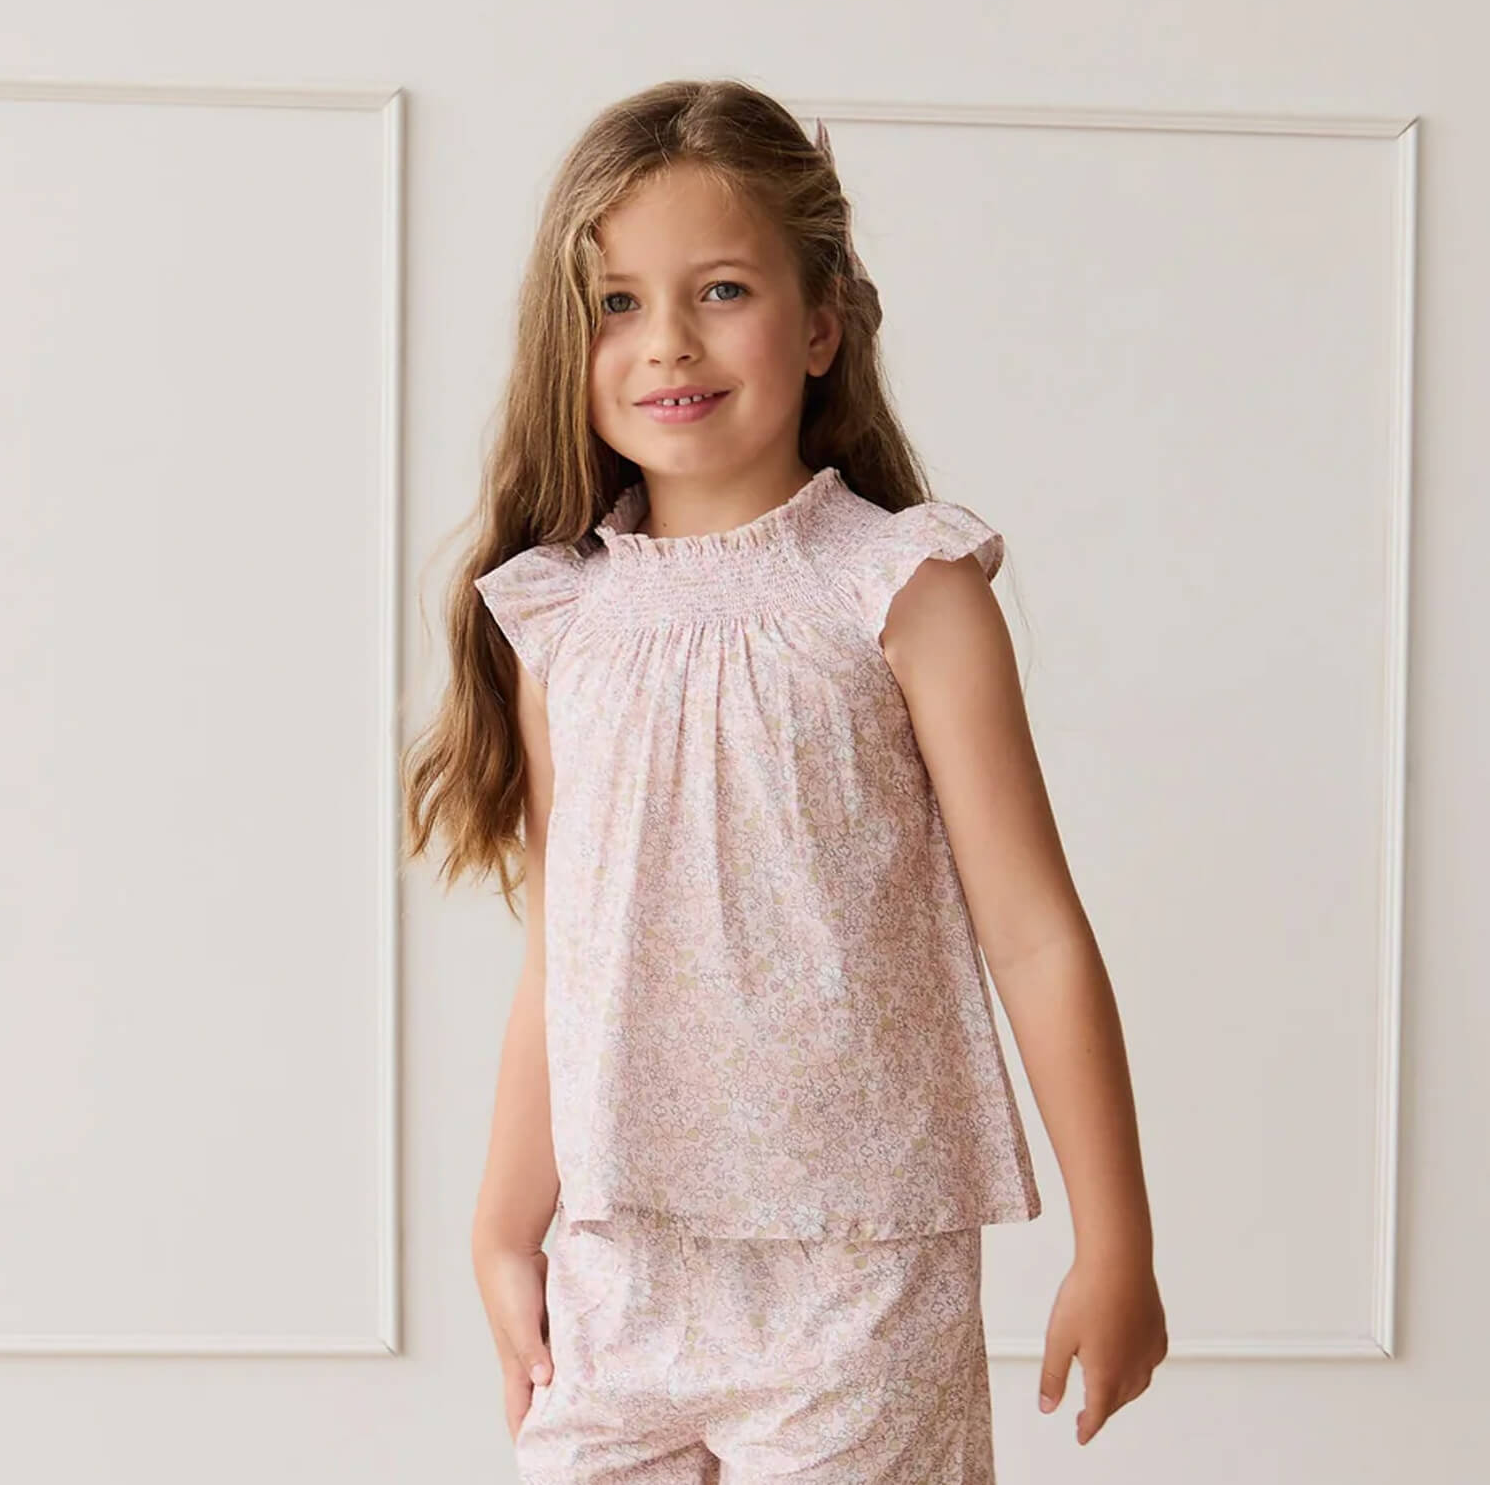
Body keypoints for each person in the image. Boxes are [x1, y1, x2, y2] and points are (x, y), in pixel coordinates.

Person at [403, 76, 1167, 1483]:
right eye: (618, 303)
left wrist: (1115, 1240)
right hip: (620, 1275)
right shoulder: (559, 618)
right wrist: (502, 1228)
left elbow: (1035, 933)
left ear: (821, 324)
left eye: (722, 290)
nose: (668, 340)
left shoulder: (906, 589)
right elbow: (562, 959)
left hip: (858, 1282)